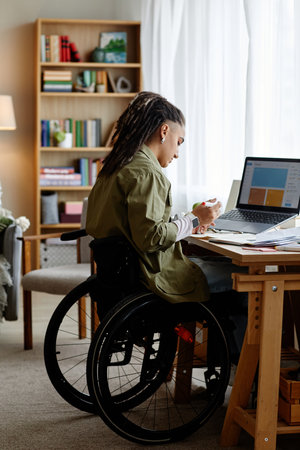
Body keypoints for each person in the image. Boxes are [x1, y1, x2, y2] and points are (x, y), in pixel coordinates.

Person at [86, 91, 247, 361]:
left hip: (122, 272)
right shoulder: (147, 173)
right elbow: (151, 237)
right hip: (151, 275)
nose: (178, 153)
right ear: (164, 130)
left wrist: (186, 221)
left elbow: (131, 224)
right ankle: (243, 375)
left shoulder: (116, 165)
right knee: (241, 278)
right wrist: (196, 219)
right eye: (178, 141)